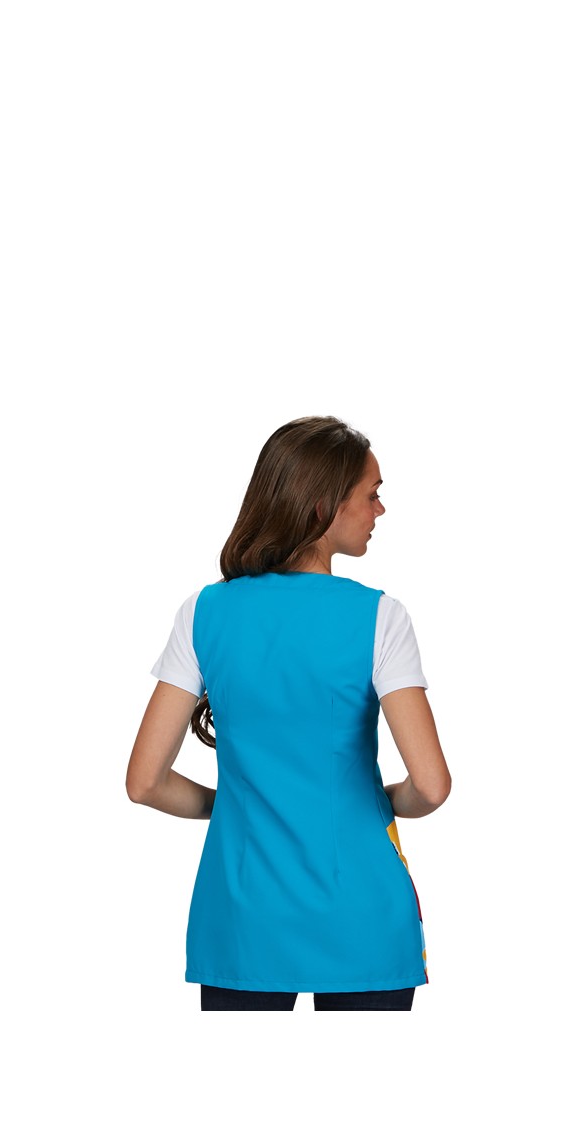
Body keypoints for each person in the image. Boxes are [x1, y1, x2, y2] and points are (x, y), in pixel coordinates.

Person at [126, 416, 451, 1011]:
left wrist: (243, 804)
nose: (380, 510)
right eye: (372, 494)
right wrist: (373, 800)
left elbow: (145, 782)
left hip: (241, 916)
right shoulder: (380, 617)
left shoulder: (203, 612)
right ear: (325, 505)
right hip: (361, 913)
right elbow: (430, 786)